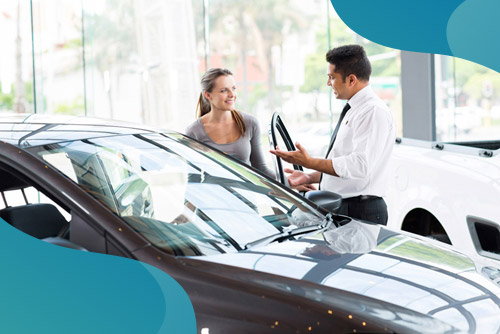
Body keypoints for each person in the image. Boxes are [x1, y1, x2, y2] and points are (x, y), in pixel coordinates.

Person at [270, 45, 395, 225]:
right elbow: (345, 165)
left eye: (332, 77)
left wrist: (309, 161)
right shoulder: (355, 109)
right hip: (346, 206)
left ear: (351, 80)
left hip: (360, 210)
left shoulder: (372, 111)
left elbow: (360, 166)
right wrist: (310, 176)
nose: (329, 83)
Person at [185, 68, 275, 177]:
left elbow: (261, 169)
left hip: (247, 193)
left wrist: (286, 181)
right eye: (224, 90)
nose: (232, 94)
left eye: (233, 88)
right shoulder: (194, 132)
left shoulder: (250, 123)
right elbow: (193, 177)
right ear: (208, 95)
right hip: (215, 193)